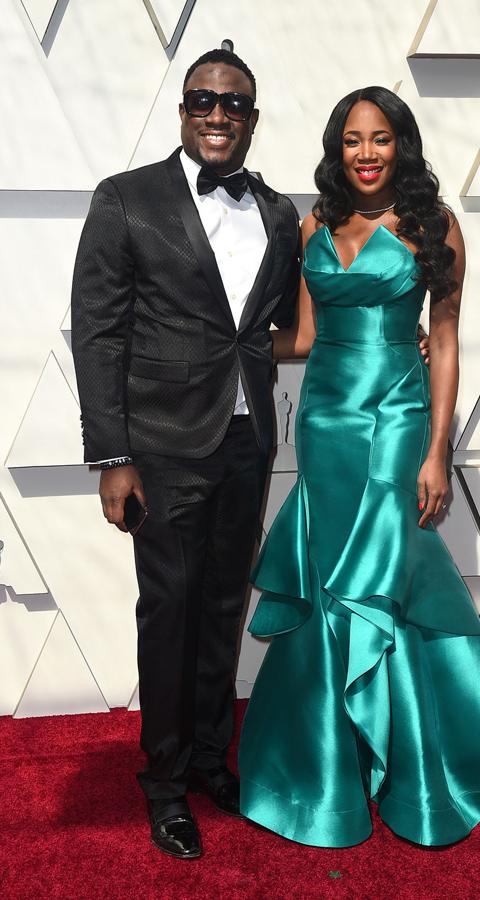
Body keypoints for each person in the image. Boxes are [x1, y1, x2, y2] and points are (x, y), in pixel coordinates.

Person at [238, 86, 480, 848]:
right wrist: (214, 342)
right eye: (352, 141)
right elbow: (299, 337)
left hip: (397, 421)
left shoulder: (434, 226)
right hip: (327, 424)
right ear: (337, 150)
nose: (365, 154)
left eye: (380, 138)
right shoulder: (315, 224)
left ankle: (411, 771)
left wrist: (437, 449)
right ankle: (327, 769)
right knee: (333, 583)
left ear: (402, 144)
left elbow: (448, 336)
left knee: (379, 578)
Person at [71, 48, 305, 860]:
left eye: (234, 103)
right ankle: (164, 784)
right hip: (161, 450)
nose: (218, 113)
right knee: (168, 616)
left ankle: (211, 760)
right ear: (181, 109)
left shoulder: (277, 213)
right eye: (203, 98)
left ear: (251, 119)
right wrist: (112, 456)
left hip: (245, 443)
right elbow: (99, 332)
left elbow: (288, 326)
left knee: (219, 612)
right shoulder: (126, 199)